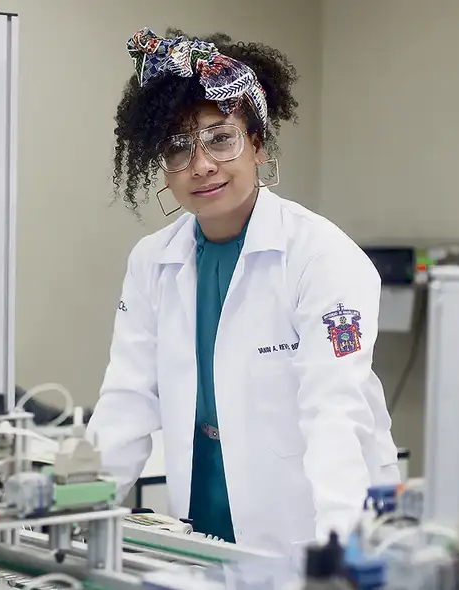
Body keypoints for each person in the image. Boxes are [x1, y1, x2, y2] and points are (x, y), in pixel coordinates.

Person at [86, 27, 400, 557]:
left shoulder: (322, 257)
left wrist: (339, 548)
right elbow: (127, 400)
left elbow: (334, 414)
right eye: (177, 148)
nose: (201, 165)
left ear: (257, 143)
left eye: (220, 138)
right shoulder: (152, 262)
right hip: (205, 509)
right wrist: (76, 514)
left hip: (311, 514)